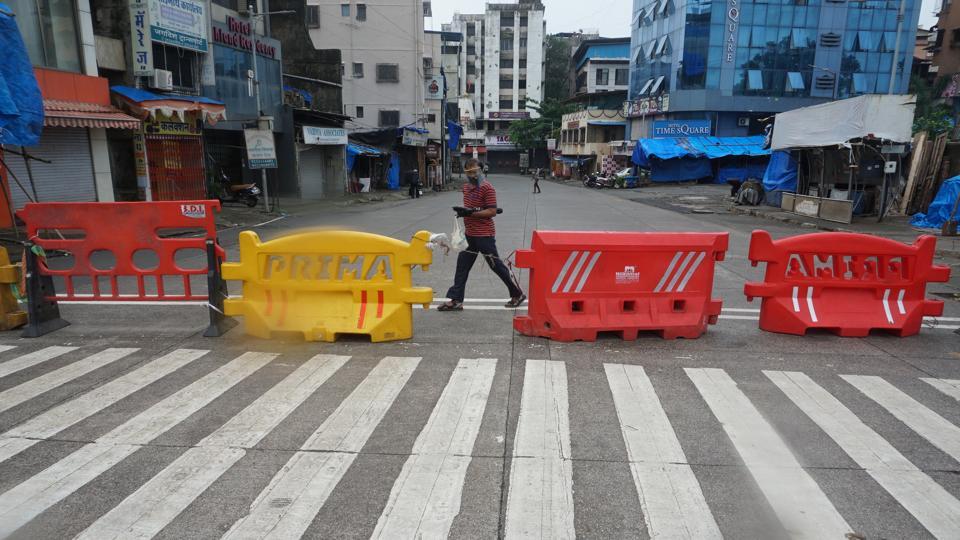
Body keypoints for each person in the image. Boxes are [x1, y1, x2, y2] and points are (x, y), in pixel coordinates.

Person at [439, 159, 526, 311]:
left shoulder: (487, 188)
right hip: (469, 235)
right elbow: (473, 207)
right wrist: (463, 212)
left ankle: (517, 294)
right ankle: (456, 300)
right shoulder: (466, 188)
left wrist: (471, 213)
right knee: (462, 267)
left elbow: (492, 211)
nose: (473, 175)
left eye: (475, 171)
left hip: (484, 235)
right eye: (469, 172)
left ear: (481, 170)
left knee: (496, 266)